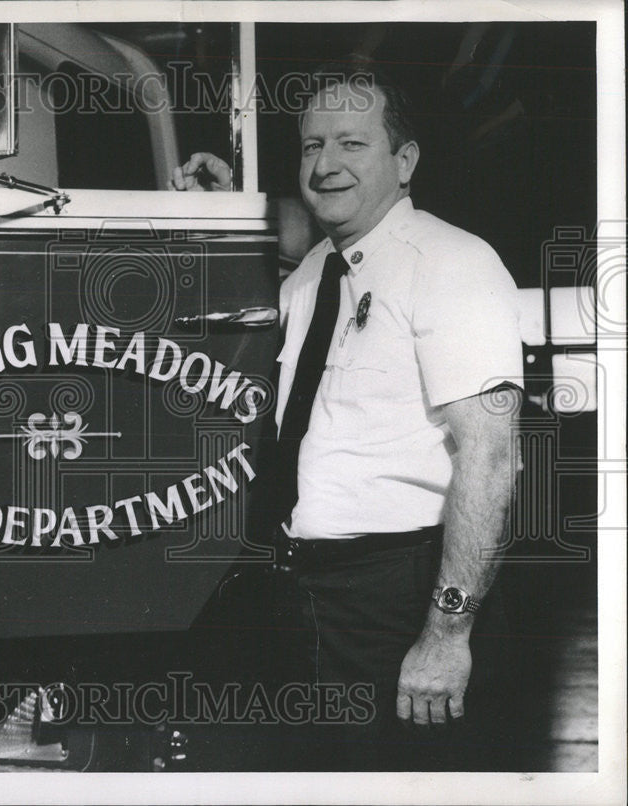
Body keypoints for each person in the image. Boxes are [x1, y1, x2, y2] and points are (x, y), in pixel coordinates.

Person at [170, 59, 524, 770]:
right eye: (311, 146)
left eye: (351, 144)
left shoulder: (453, 264)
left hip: (393, 598)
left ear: (405, 160)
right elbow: (289, 247)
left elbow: (490, 458)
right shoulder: (314, 276)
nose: (326, 163)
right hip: (300, 595)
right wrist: (225, 205)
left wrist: (447, 634)